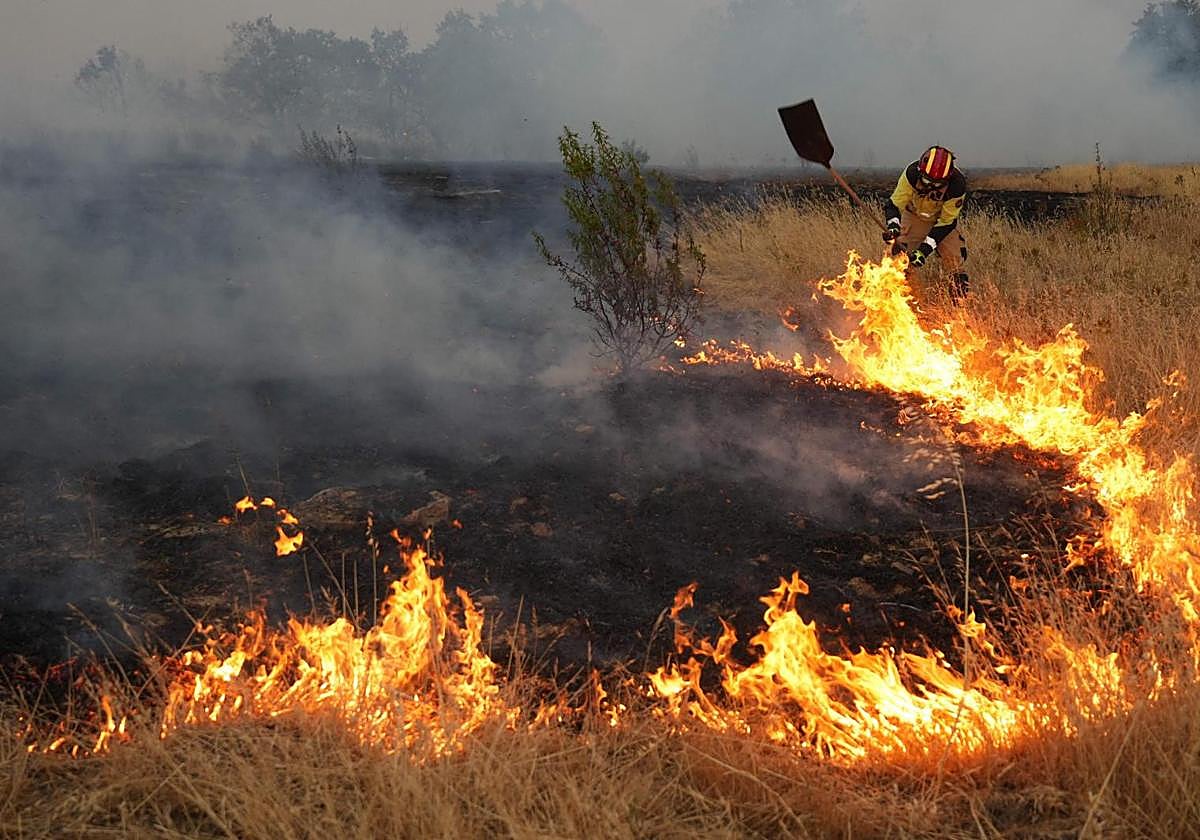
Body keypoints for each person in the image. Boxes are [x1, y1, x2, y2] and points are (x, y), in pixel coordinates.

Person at [881, 146, 970, 304]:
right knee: (900, 259)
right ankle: (907, 304)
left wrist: (924, 250)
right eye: (927, 180)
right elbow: (893, 205)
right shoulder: (912, 173)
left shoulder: (957, 184)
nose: (930, 185)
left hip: (941, 223)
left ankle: (960, 307)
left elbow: (947, 222)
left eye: (937, 184)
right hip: (913, 216)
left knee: (956, 258)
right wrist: (893, 225)